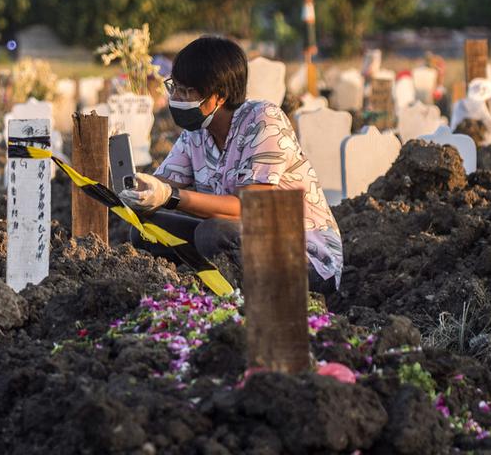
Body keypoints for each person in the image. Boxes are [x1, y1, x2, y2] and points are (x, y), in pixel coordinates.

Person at [119, 36, 344, 293]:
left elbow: (247, 209)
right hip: (241, 237)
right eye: (175, 88)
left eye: (187, 92)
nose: (177, 98)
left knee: (212, 233)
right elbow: (162, 183)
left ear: (220, 96)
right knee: (146, 230)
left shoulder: (263, 120)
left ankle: (239, 298)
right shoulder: (197, 132)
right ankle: (196, 289)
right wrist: (138, 189)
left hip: (306, 257)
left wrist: (171, 196)